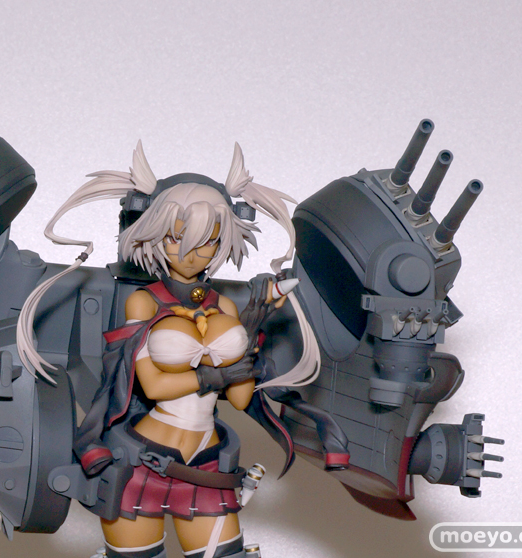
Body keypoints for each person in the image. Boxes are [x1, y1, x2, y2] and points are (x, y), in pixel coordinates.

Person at [17, 142, 322, 558]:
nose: (194, 252)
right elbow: (155, 386)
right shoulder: (144, 302)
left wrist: (251, 328)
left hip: (208, 464)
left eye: (209, 241)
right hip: (143, 462)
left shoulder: (225, 306)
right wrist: (215, 375)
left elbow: (239, 399)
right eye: (179, 237)